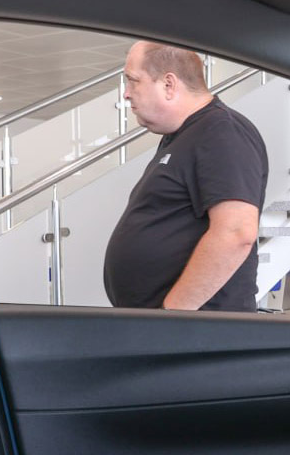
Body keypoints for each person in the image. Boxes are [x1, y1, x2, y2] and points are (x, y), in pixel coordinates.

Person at [104, 41, 269, 311]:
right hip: (166, 324)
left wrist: (174, 314)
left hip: (195, 326)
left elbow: (236, 231)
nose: (126, 94)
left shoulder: (221, 131)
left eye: (133, 81)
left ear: (169, 84)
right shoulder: (182, 136)